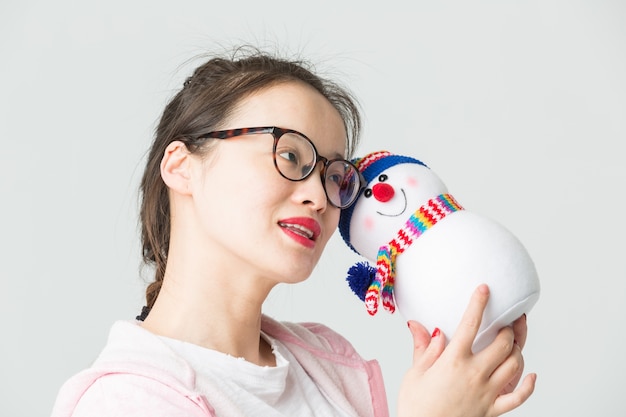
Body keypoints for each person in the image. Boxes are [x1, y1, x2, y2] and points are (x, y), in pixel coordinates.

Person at [50, 45, 536, 417]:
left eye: (333, 176)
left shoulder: (327, 362)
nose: (320, 197)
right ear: (181, 167)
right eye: (290, 156)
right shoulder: (126, 400)